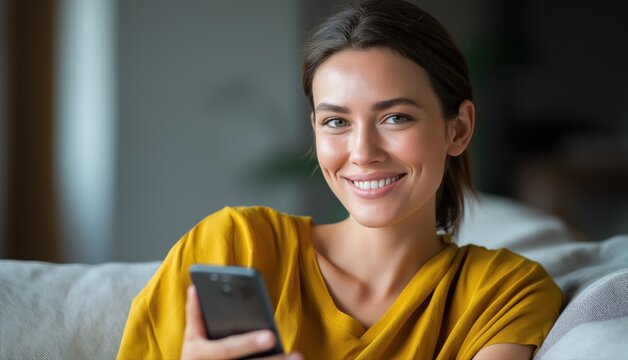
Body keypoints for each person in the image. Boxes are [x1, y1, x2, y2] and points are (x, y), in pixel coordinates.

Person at [117, 0, 563, 359]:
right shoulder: (234, 247)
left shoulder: (505, 293)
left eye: (395, 117)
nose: (363, 152)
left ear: (458, 129)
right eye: (336, 122)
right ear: (315, 128)